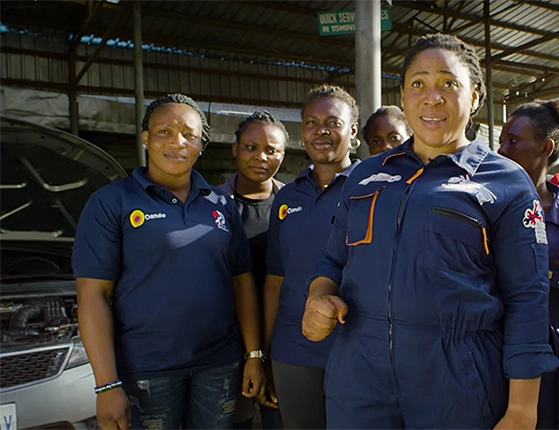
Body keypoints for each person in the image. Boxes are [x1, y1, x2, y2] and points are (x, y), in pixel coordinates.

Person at [301, 33, 559, 429]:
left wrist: (522, 408)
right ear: (403, 96)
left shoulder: (506, 182)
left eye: (448, 84)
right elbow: (332, 261)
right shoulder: (366, 176)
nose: (432, 96)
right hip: (359, 378)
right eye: (418, 83)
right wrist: (317, 300)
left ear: (474, 97)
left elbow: (528, 297)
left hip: (457, 382)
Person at [73, 93, 266, 429]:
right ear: (145, 138)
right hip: (145, 371)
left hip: (219, 366)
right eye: (164, 132)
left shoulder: (220, 201)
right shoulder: (111, 202)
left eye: (189, 134)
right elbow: (93, 296)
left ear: (201, 144)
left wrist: (253, 355)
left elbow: (241, 281)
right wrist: (107, 385)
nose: (177, 142)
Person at [259, 84, 361, 429]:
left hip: (358, 347)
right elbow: (275, 280)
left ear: (353, 131)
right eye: (311, 123)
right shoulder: (286, 199)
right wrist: (268, 354)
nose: (321, 132)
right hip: (293, 351)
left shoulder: (373, 189)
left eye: (332, 122)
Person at [498, 97, 559, 429]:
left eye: (513, 141)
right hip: (496, 366)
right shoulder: (485, 210)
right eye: (501, 140)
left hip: (556, 374)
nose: (501, 150)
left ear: (546, 147)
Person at [217, 111, 287, 430]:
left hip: (282, 338)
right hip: (226, 343)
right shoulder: (211, 204)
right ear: (235, 149)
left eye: (272, 150)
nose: (261, 156)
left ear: (283, 155)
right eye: (251, 147)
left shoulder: (294, 204)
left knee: (279, 417)